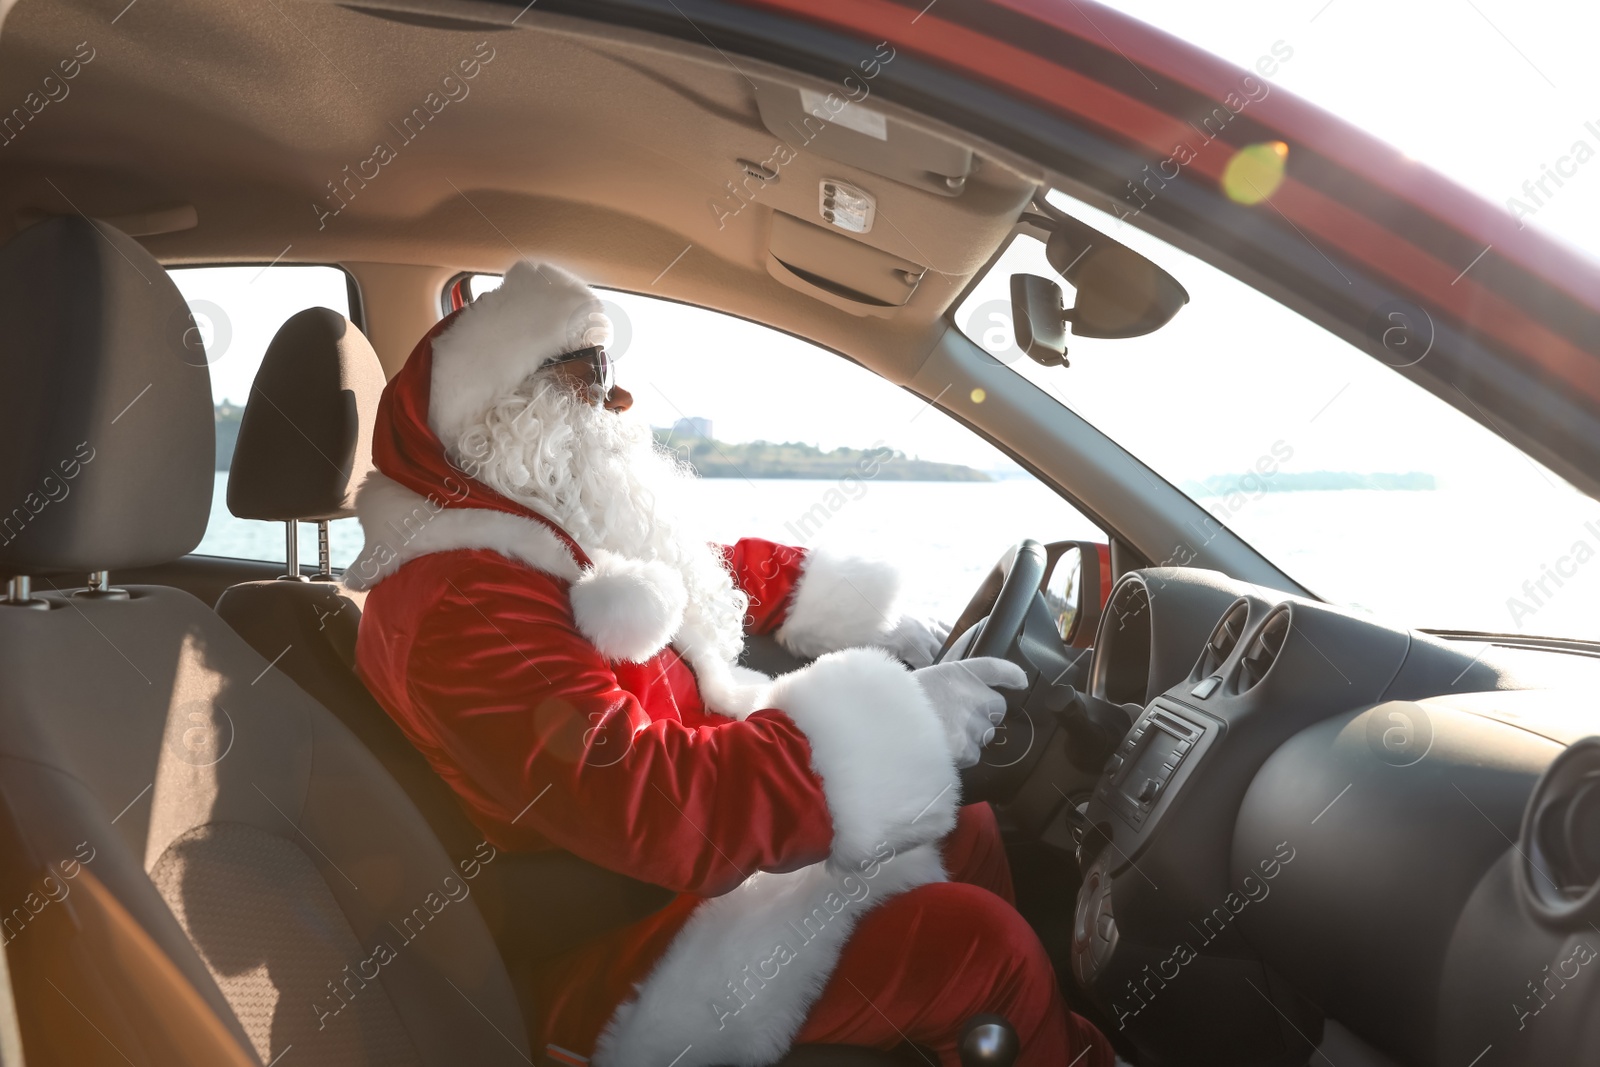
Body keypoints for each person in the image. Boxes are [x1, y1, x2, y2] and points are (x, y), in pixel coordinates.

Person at [346, 261, 1115, 1067]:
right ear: (496, 415)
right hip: (615, 943)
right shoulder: (461, 607)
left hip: (662, 890)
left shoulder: (529, 545)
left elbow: (711, 571)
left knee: (964, 828)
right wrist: (897, 725)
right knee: (978, 948)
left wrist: (854, 609)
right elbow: (650, 799)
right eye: (587, 371)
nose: (620, 400)